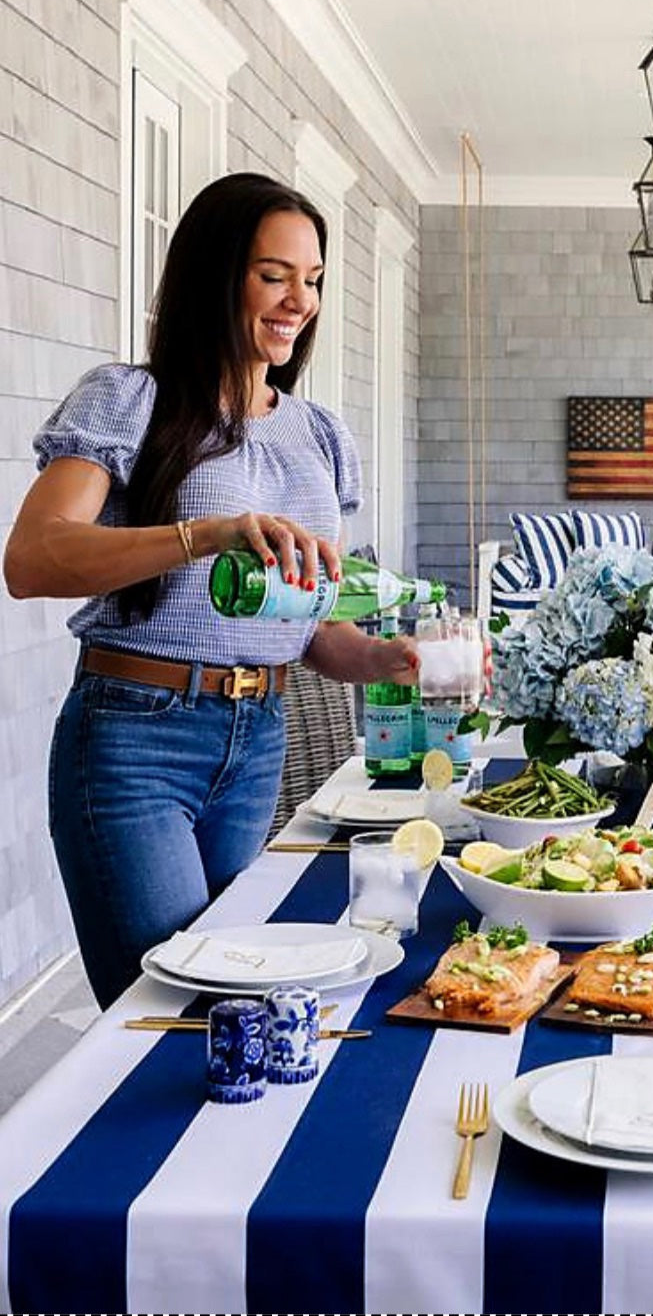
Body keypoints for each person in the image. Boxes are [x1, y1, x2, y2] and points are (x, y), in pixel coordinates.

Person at [3, 172, 418, 1006]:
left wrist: (385, 657)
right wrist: (208, 534)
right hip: (133, 738)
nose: (298, 300)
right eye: (274, 274)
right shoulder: (131, 400)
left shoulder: (318, 435)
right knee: (174, 1006)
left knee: (243, 997)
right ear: (215, 273)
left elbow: (308, 622)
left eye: (312, 280)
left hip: (256, 736)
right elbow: (32, 559)